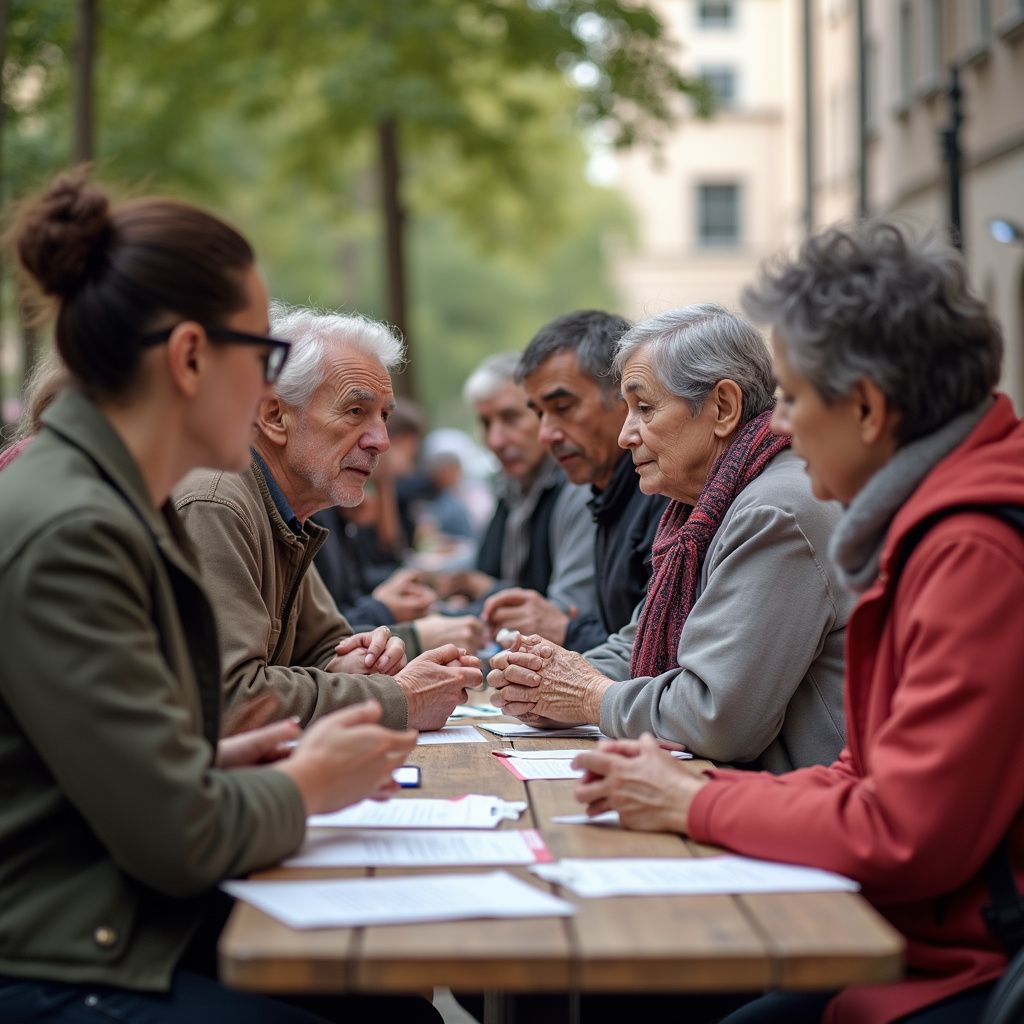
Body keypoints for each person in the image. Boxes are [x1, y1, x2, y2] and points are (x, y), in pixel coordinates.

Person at [0, 171, 438, 1022]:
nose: (271, 391)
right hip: (59, 953)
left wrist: (224, 763)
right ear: (192, 358)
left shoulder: (116, 499)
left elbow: (123, 766)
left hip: (104, 917)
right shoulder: (78, 528)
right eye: (264, 357)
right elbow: (178, 840)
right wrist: (310, 781)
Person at [573, 221, 1024, 1024]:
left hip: (961, 965)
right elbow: (866, 774)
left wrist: (693, 800)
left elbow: (904, 831)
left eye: (792, 396)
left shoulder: (970, 549)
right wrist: (691, 785)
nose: (777, 425)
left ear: (868, 408)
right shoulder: (928, 526)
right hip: (910, 931)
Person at [489, 304, 850, 772]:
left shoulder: (773, 511)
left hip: (799, 815)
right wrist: (543, 678)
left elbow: (716, 718)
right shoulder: (701, 508)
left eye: (644, 408)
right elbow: (639, 644)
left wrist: (587, 695)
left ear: (722, 407)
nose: (626, 435)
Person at [174, 303, 482, 735]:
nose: (382, 442)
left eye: (385, 416)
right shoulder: (218, 504)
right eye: (356, 412)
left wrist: (365, 657)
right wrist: (401, 698)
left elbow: (323, 652)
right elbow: (233, 700)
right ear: (274, 416)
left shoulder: (288, 510)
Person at [481, 310, 669, 651]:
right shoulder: (606, 491)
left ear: (624, 396)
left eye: (563, 407)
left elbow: (657, 658)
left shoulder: (665, 492)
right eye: (538, 414)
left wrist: (566, 630)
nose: (546, 434)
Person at [436, 351, 598, 627]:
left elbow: (566, 614)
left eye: (511, 418)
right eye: (486, 423)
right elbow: (484, 565)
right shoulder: (511, 487)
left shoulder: (580, 487)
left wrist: (487, 591)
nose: (496, 440)